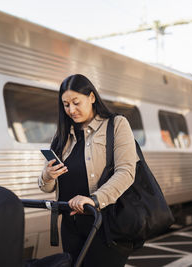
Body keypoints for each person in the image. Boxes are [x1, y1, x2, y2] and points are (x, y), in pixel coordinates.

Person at [38, 74, 139, 266]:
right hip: (70, 226)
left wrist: (93, 200)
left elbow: (126, 171)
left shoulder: (116, 124)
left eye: (76, 102)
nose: (71, 110)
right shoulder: (62, 136)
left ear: (92, 97)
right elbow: (47, 187)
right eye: (66, 105)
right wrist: (47, 175)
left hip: (103, 222)